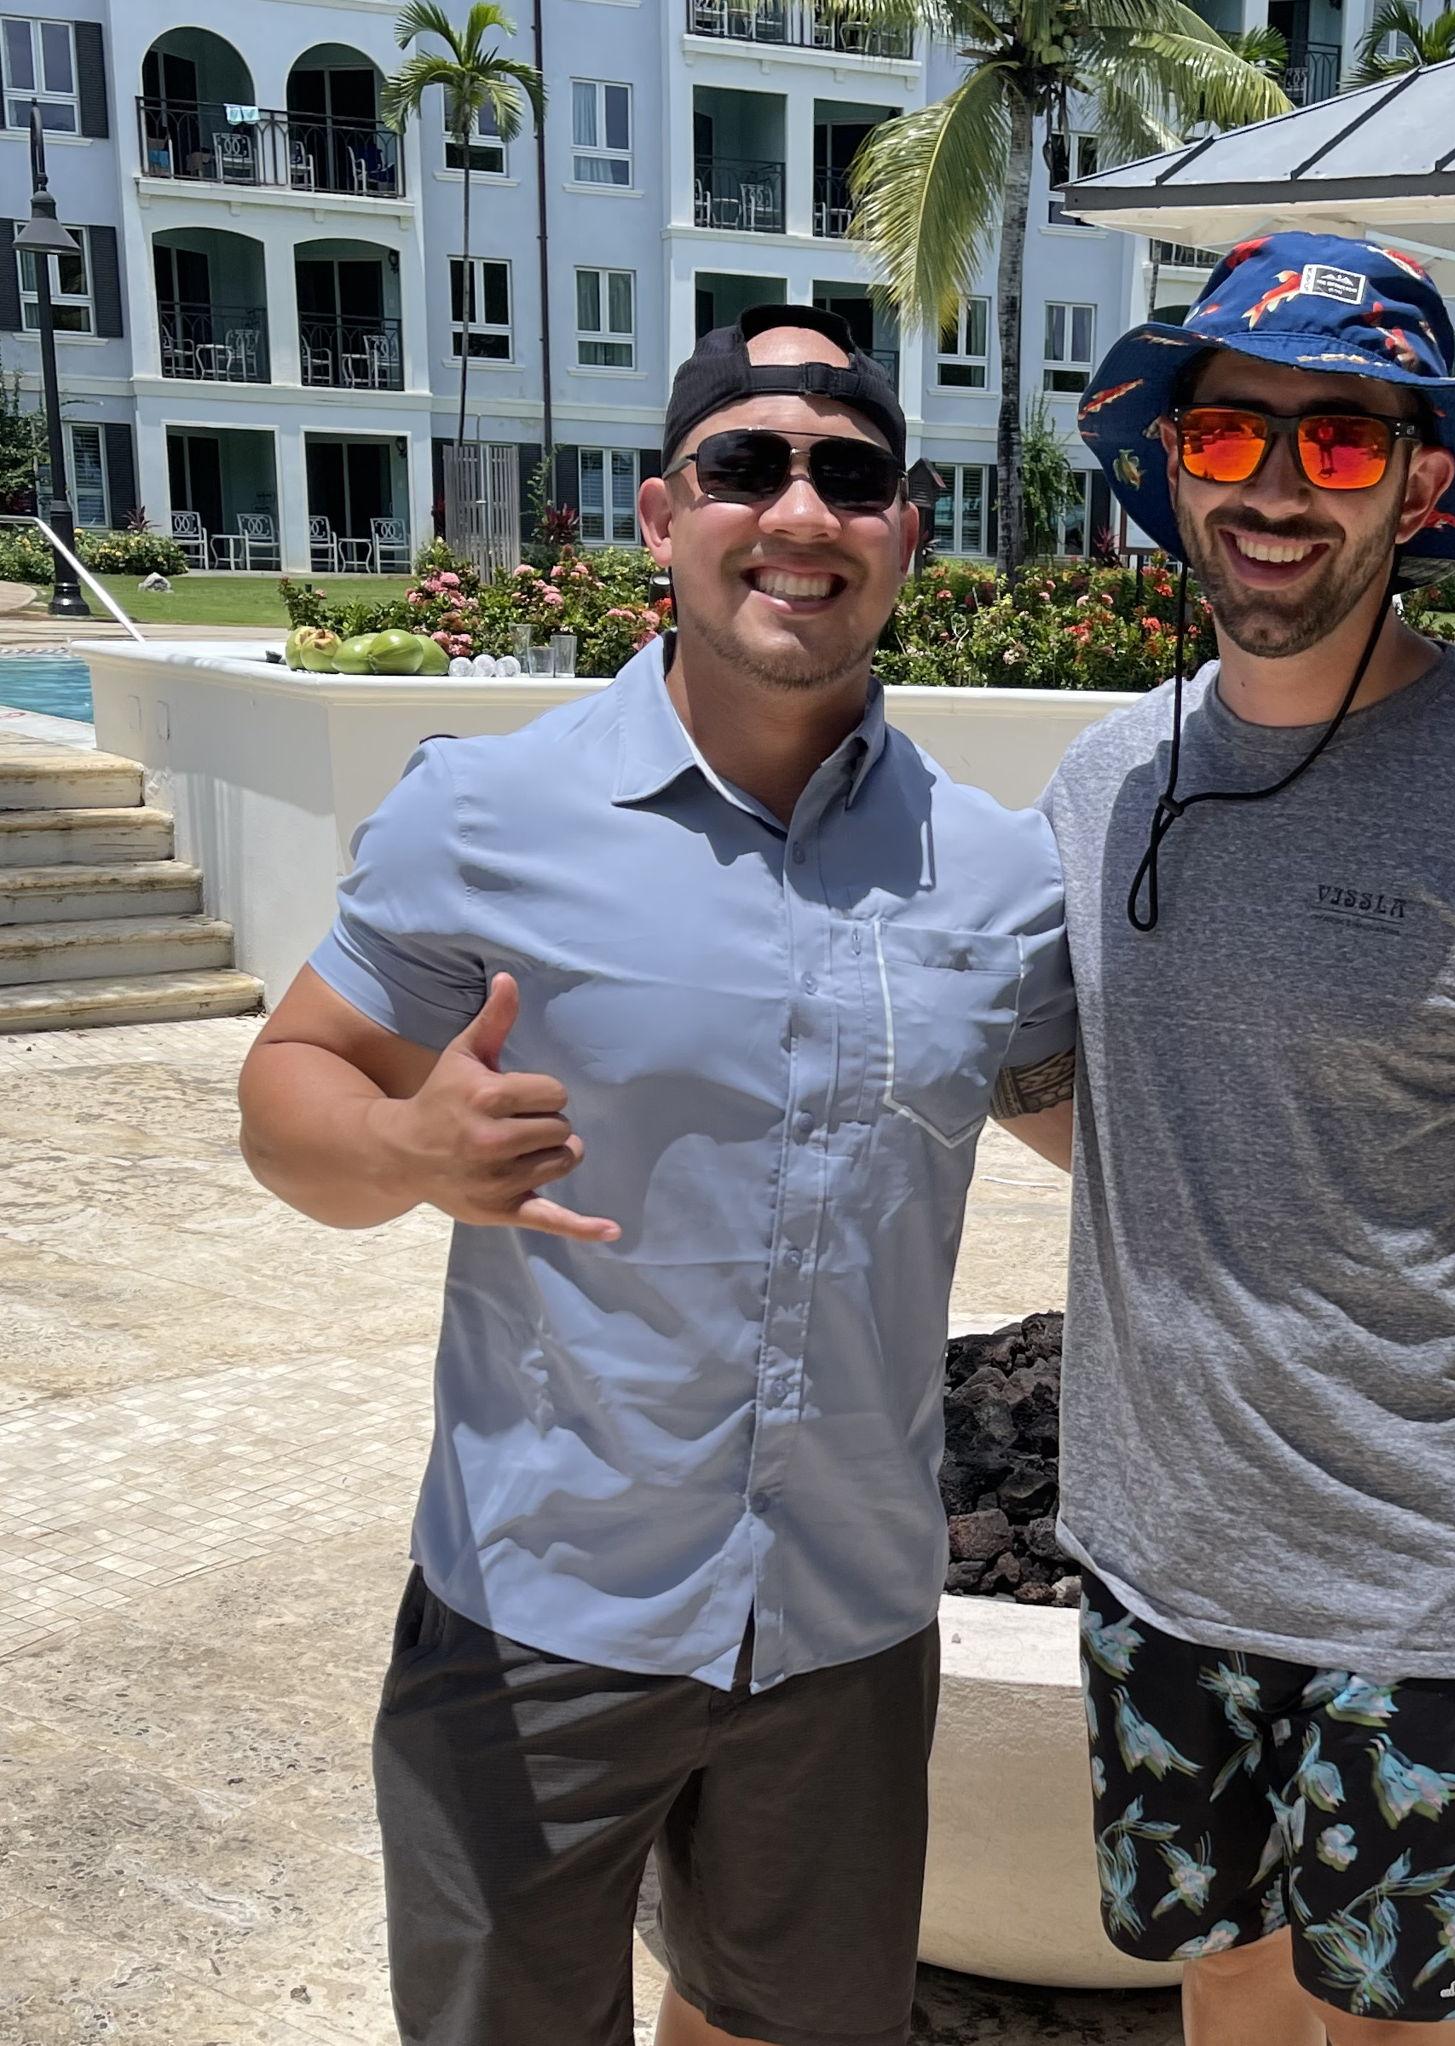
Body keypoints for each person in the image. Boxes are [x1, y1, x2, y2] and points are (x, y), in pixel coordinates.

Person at [236, 305, 1079, 2046]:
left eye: (852, 476)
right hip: (544, 1604)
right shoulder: (488, 812)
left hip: (846, 1620)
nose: (799, 511)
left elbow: (1093, 1125)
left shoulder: (994, 876)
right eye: (744, 465)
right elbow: (288, 1089)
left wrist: (1422, 1186)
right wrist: (404, 1147)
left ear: (906, 530)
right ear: (661, 515)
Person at [1033, 234, 1455, 2044]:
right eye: (1229, 433)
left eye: (1337, 441)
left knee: (1393, 2026)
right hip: (1150, 1557)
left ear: (1418, 486)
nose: (1274, 487)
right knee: (1222, 1980)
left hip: (1419, 1585)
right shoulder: (1103, 786)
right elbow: (1077, 1093)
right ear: (1171, 461)